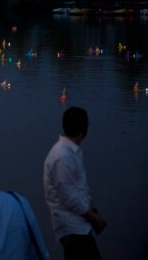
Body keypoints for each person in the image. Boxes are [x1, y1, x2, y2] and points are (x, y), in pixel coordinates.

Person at [44, 107, 107, 260]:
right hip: (71, 228)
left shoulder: (69, 152)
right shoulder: (63, 156)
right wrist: (94, 218)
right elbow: (69, 197)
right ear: (84, 130)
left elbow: (78, 190)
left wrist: (92, 213)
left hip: (79, 225)